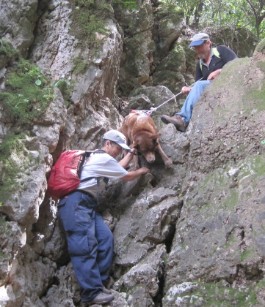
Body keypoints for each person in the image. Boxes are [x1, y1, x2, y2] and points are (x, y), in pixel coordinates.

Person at [57, 130, 150, 306]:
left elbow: (119, 167)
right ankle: (90, 293)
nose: (118, 152)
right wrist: (142, 170)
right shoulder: (102, 158)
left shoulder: (100, 159)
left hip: (88, 206)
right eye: (117, 148)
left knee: (105, 238)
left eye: (121, 149)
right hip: (76, 203)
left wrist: (131, 152)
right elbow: (126, 175)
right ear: (107, 144)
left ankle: (98, 284)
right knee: (84, 245)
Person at [161, 32, 237, 132]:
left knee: (199, 84)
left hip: (228, 85)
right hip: (211, 92)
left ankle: (182, 119)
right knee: (198, 85)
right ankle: (180, 118)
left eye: (199, 46)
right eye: (195, 47)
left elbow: (237, 64)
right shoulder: (200, 65)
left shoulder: (221, 50)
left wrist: (219, 71)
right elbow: (199, 87)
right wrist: (190, 90)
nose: (197, 50)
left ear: (208, 43)